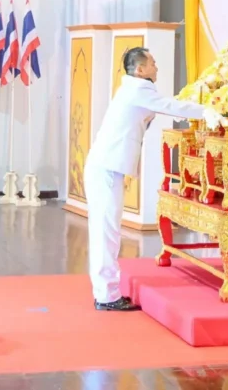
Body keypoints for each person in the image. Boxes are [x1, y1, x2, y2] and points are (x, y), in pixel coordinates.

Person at [85, 47, 206, 311]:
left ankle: (106, 292)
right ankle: (106, 296)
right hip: (105, 168)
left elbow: (167, 106)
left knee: (107, 231)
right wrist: (209, 111)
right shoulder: (139, 90)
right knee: (106, 233)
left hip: (105, 167)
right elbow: (171, 106)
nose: (156, 67)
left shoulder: (134, 89)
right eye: (152, 63)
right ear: (140, 70)